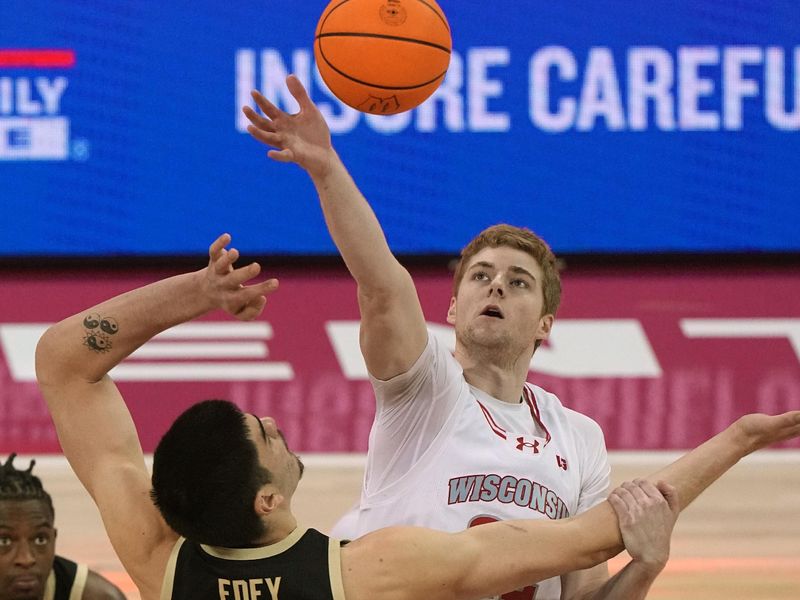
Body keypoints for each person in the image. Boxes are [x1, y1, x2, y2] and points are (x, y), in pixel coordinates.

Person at [34, 234, 800, 600]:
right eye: (267, 434)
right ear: (269, 498)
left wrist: (194, 296)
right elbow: (598, 531)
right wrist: (738, 439)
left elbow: (65, 363)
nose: (279, 426)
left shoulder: (162, 565)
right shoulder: (367, 570)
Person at [241, 75, 668, 600]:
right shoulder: (423, 388)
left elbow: (583, 593)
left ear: (544, 324)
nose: (496, 287)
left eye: (518, 283)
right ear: (452, 305)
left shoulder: (580, 438)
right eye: (481, 276)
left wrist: (644, 567)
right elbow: (382, 284)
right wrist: (327, 169)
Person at [0, 453, 126, 600]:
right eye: (4, 541)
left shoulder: (97, 597)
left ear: (54, 538)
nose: (26, 559)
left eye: (40, 539)